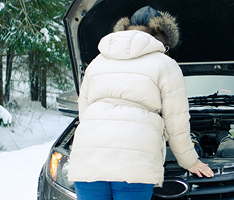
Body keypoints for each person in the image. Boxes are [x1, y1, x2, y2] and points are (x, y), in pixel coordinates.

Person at [67, 6, 214, 200]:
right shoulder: (165, 64)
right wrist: (190, 161)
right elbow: (175, 122)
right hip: (133, 161)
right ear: (164, 39)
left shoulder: (96, 63)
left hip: (88, 157)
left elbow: (84, 115)